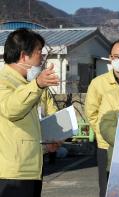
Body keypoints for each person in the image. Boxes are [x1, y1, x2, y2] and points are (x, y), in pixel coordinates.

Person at [0, 28, 60, 197]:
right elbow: (11, 110)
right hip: (12, 173)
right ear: (24, 55)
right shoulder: (4, 81)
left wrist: (46, 145)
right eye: (38, 52)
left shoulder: (25, 84)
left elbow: (24, 129)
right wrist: (37, 85)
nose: (41, 58)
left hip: (30, 169)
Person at [84, 40, 119, 197]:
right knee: (108, 189)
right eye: (115, 56)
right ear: (110, 58)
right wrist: (104, 135)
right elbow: (91, 114)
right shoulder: (98, 84)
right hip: (106, 146)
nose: (118, 60)